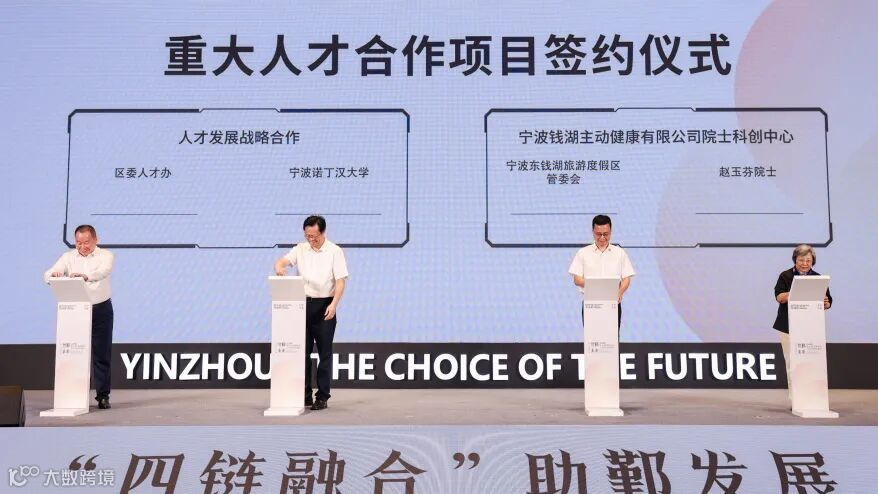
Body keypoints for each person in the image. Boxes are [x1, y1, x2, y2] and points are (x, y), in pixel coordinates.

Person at [274, 215, 348, 411]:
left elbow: (340, 281)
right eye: (307, 236)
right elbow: (282, 261)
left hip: (325, 306)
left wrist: (334, 304)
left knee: (324, 354)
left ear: (323, 232)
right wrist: (279, 268)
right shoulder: (300, 248)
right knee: (301, 353)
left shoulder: (334, 251)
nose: (311, 239)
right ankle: (304, 394)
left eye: (314, 236)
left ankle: (322, 397)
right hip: (302, 305)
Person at [44, 225, 115, 409]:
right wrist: (54, 275)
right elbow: (47, 274)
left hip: (100, 309)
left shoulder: (105, 255)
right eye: (78, 242)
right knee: (74, 353)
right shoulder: (68, 257)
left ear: (95, 240)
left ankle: (103, 396)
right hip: (75, 311)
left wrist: (86, 276)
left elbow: (103, 271)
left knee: (101, 354)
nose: (82, 246)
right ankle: (73, 394)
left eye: (86, 242)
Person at [773, 244, 832, 400]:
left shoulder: (818, 278)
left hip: (811, 328)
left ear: (813, 261)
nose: (805, 264)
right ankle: (796, 398)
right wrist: (798, 289)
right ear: (795, 260)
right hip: (788, 327)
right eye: (801, 260)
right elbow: (779, 297)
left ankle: (812, 396)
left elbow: (827, 302)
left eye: (808, 260)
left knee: (811, 363)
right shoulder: (785, 276)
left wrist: (826, 303)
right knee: (792, 363)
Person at [568, 215, 635, 329]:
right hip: (590, 303)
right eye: (598, 234)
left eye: (606, 234)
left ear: (611, 231)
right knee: (591, 338)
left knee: (612, 337)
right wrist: (598, 285)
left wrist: (619, 293)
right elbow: (577, 279)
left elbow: (626, 278)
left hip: (613, 303)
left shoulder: (620, 253)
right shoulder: (583, 253)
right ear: (593, 232)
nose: (602, 238)